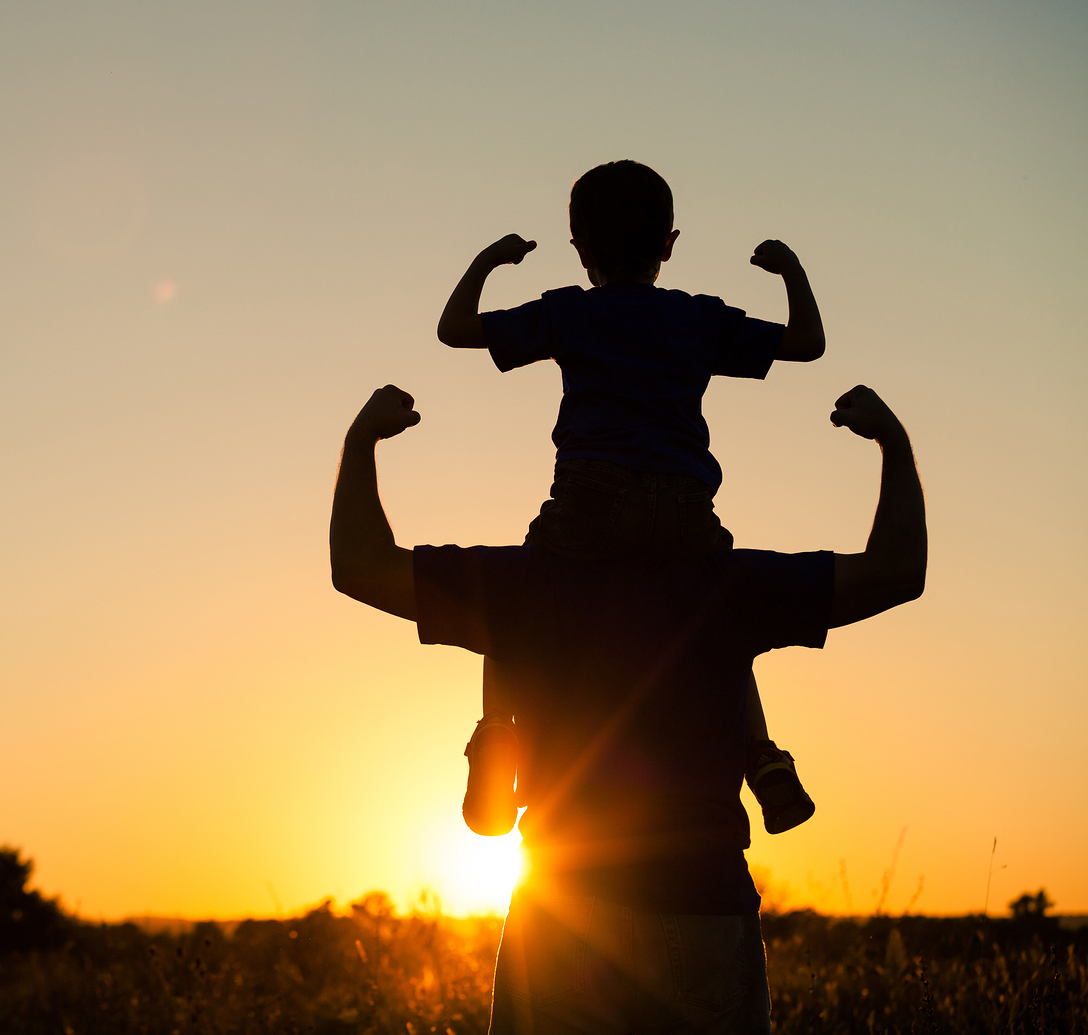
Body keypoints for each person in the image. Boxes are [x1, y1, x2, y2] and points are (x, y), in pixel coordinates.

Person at [330, 382, 925, 1033]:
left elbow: (359, 566)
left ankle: (495, 736)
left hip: (565, 913)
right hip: (705, 904)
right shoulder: (727, 584)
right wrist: (891, 442)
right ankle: (765, 759)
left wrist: (362, 441)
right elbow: (895, 570)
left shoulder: (523, 583)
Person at [437, 160, 826, 837]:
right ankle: (761, 756)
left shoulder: (569, 310)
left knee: (508, 603)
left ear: (578, 246)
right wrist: (790, 271)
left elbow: (455, 328)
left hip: (589, 499)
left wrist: (490, 260)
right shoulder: (697, 318)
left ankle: (499, 736)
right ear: (668, 244)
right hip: (683, 509)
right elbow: (806, 344)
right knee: (723, 625)